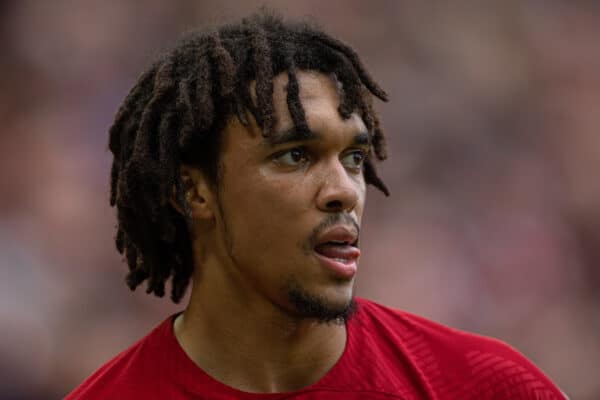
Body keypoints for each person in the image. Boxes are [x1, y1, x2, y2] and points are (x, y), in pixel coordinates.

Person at [66, 11, 567, 400]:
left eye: (353, 157)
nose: (344, 190)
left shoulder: (486, 387)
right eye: (295, 155)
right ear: (195, 192)